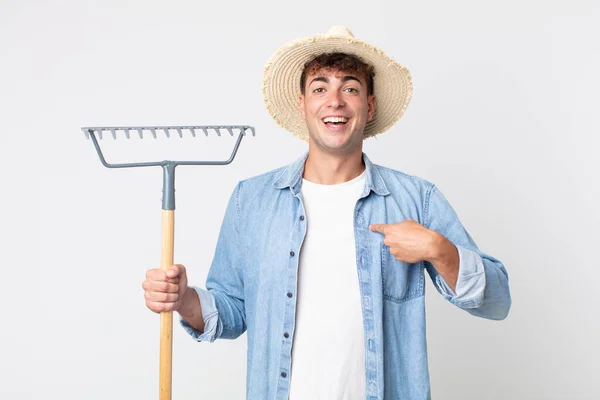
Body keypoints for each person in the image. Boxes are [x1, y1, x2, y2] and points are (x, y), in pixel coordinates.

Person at [142, 26, 511, 400]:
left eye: (350, 88)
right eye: (320, 88)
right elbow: (234, 313)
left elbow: (497, 301)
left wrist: (439, 249)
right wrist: (184, 299)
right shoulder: (251, 200)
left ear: (369, 106)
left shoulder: (417, 200)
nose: (334, 101)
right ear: (303, 104)